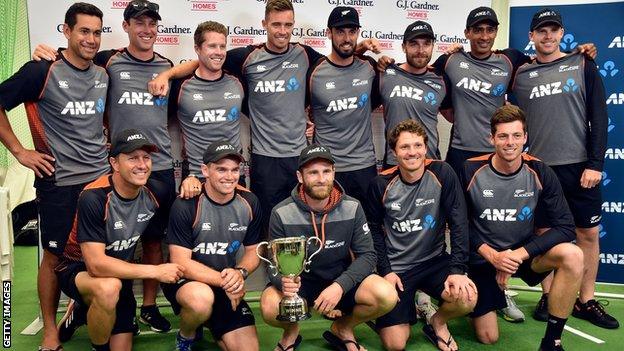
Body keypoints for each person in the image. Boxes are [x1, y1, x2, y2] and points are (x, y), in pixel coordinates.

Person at [147, 0, 379, 237]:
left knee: (306, 222)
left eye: (288, 25)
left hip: (300, 156)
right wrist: (167, 74)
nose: (282, 31)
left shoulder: (304, 54)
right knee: (269, 225)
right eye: (276, 24)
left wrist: (359, 48)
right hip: (265, 158)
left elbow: (335, 60)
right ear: (264, 24)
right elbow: (208, 60)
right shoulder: (247, 57)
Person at [34, 0, 177, 334]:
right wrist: (46, 51)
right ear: (126, 26)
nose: (147, 29)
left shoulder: (168, 64)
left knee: (153, 241)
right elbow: (74, 58)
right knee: (95, 242)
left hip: (159, 166)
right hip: (118, 166)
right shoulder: (107, 61)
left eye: (152, 23)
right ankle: (80, 304)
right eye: (139, 23)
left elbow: (193, 70)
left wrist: (168, 73)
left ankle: (149, 307)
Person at [0, 3, 110, 349]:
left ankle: (79, 307)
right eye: (83, 31)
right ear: (66, 31)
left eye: (96, 32)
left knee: (97, 253)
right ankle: (50, 329)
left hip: (102, 181)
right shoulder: (40, 71)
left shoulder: (105, 70)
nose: (91, 39)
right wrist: (20, 152)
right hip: (59, 182)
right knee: (54, 257)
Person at [512, 8, 618, 329]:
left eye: (553, 30)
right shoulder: (519, 73)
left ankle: (586, 300)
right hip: (541, 171)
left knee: (586, 234)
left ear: (561, 33)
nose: (547, 36)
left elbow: (599, 117)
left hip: (580, 168)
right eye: (541, 31)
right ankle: (549, 295)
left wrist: (595, 164)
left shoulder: (582, 63)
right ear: (531, 36)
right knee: (546, 235)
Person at [462, 105, 583, 351]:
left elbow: (566, 227)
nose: (510, 142)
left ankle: (552, 341)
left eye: (517, 135)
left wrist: (517, 255)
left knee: (573, 255)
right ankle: (492, 296)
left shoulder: (539, 170)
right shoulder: (469, 170)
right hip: (484, 258)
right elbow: (458, 225)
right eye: (503, 136)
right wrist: (493, 256)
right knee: (488, 337)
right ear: (491, 138)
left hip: (524, 255)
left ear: (525, 137)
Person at [54, 129, 185, 351]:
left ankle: (81, 311)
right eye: (133, 158)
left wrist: (192, 182)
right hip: (78, 269)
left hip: (120, 274)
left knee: (122, 342)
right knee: (107, 288)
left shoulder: (157, 192)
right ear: (114, 163)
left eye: (146, 157)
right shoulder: (94, 197)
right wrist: (156, 271)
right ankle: (94, 334)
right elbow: (96, 265)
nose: (142, 165)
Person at [260, 144, 397, 351]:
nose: (321, 178)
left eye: (326, 171)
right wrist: (283, 282)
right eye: (313, 172)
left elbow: (368, 255)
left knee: (386, 295)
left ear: (333, 172)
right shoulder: (281, 212)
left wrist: (339, 286)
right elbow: (273, 262)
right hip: (302, 285)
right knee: (269, 306)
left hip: (340, 281)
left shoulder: (353, 206)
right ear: (300, 176)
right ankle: (291, 332)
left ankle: (343, 327)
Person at [366, 120, 476, 351]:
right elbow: (373, 231)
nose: (412, 152)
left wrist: (457, 270)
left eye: (418, 145)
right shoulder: (380, 184)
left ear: (426, 148)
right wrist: (386, 271)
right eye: (405, 147)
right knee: (395, 344)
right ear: (394, 152)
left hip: (434, 261)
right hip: (399, 269)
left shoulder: (443, 173)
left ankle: (437, 321)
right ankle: (399, 311)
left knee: (467, 297)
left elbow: (458, 223)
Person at [163, 141, 262, 351]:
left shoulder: (249, 202)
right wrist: (229, 283)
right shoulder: (187, 203)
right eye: (221, 169)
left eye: (235, 170)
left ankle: (208, 320)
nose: (229, 176)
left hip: (223, 279)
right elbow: (180, 262)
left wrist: (240, 272)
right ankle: (187, 335)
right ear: (205, 170)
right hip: (187, 282)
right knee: (201, 300)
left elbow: (254, 252)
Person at [308, 6, 381, 205]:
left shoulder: (370, 67)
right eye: (340, 31)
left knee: (365, 229)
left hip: (363, 166)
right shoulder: (314, 71)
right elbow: (299, 108)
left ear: (358, 32)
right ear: (328, 33)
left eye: (352, 31)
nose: (347, 38)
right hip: (327, 167)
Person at [167, 21, 245, 198]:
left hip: (232, 176)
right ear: (197, 49)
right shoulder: (180, 87)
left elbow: (263, 109)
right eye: (211, 46)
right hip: (196, 178)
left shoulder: (238, 82)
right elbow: (156, 121)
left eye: (222, 46)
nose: (218, 52)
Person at [378, 20, 449, 165]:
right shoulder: (384, 74)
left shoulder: (442, 79)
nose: (421, 50)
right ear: (404, 47)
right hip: (394, 162)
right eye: (414, 43)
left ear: (433, 47)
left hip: (429, 161)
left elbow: (454, 115)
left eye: (426, 43)